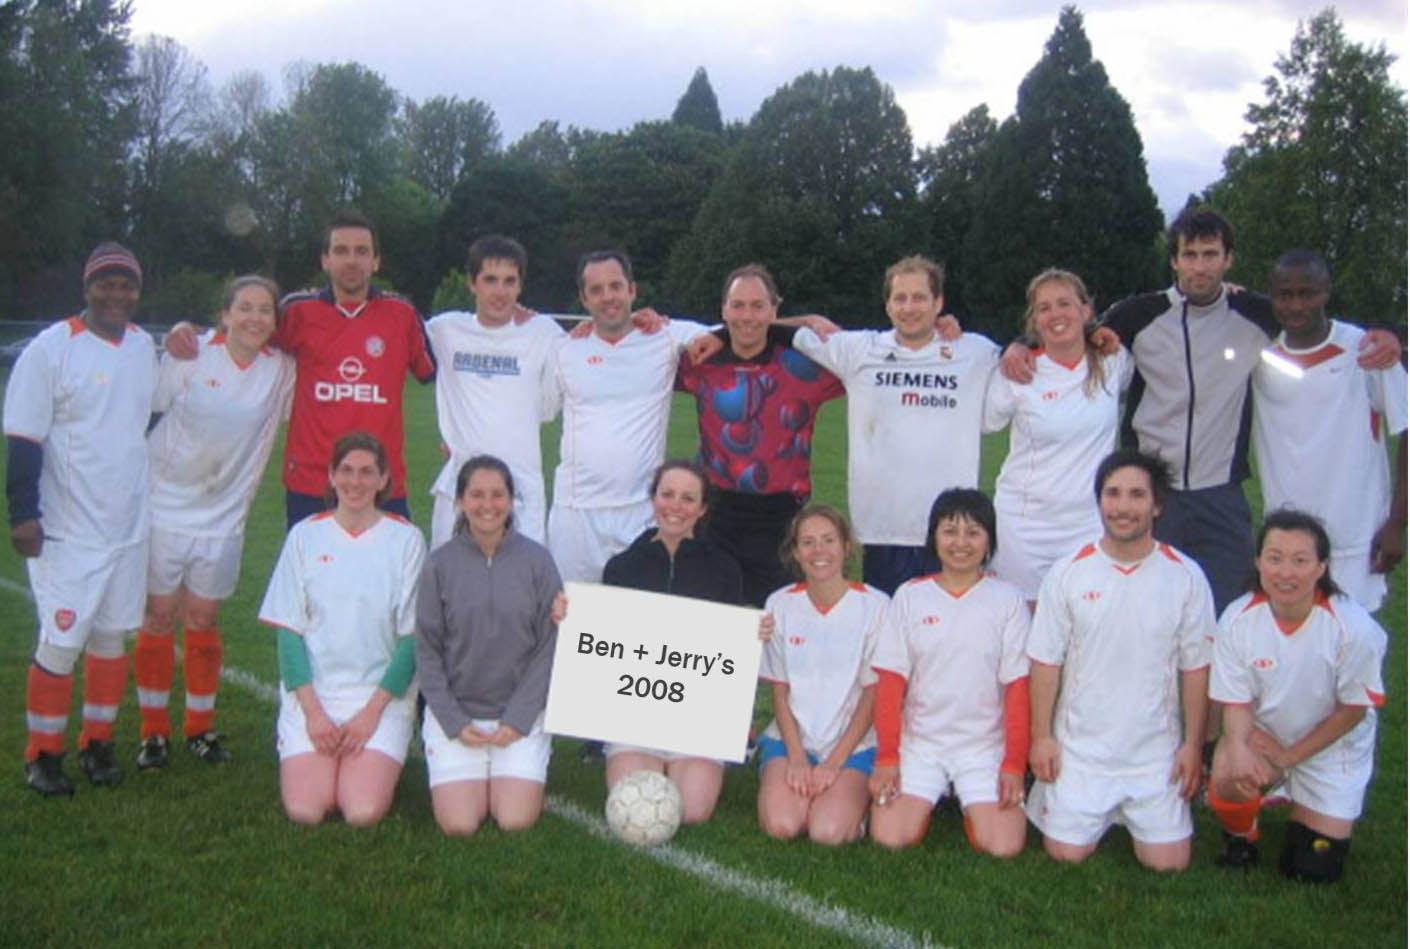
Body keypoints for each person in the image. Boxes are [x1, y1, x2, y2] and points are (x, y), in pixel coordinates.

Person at [998, 207, 1400, 615]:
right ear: (1173, 260)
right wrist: (1017, 344)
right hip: (1155, 497)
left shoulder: (1257, 314)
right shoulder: (1138, 315)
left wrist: (1393, 333)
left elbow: (1317, 319)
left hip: (1221, 497)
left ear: (1229, 259)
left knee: (1228, 617)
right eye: (1189, 255)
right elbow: (1066, 328)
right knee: (1149, 617)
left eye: (1210, 254)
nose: (1200, 266)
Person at [167, 209, 436, 528]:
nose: (351, 260)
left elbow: (438, 375)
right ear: (325, 260)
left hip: (382, 481)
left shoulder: (401, 315)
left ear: (376, 261)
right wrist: (183, 328)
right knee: (312, 575)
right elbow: (245, 329)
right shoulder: (298, 312)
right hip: (312, 482)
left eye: (361, 251)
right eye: (340, 250)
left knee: (386, 576)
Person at [7, 243, 157, 796]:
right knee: (61, 642)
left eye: (128, 285)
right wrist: (22, 514)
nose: (117, 294)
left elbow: (146, 415)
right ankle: (42, 755)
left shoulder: (143, 346)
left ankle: (98, 743)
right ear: (87, 287)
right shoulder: (52, 349)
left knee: (112, 640)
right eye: (106, 284)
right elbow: (24, 436)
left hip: (127, 529)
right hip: (69, 530)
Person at [135, 275, 295, 770]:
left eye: (265, 309)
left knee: (203, 617)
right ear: (224, 314)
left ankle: (200, 729)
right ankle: (153, 732)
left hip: (224, 516)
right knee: (160, 615)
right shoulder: (192, 353)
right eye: (244, 307)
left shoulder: (281, 370)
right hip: (163, 507)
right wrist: (180, 331)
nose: (254, 318)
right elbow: (145, 409)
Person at [1026, 450, 1213, 871]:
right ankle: (1069, 801)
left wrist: (1192, 746)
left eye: (1136, 495)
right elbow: (1045, 663)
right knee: (1064, 854)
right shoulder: (1068, 573)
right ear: (1099, 502)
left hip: (1154, 756)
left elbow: (1196, 668)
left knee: (1169, 863)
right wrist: (1042, 738)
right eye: (1112, 494)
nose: (1123, 507)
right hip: (1081, 753)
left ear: (1157, 504)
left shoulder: (1185, 576)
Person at [780, 256, 996, 595]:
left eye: (920, 297)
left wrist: (1019, 348)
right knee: (888, 640)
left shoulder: (975, 351)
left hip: (953, 532)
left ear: (939, 302)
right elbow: (761, 324)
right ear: (887, 305)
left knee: (948, 641)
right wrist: (809, 319)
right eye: (900, 298)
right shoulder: (860, 349)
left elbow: (1029, 352)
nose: (910, 307)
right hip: (882, 532)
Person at [1207, 509, 1386, 883]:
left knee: (1310, 871)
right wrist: (1240, 746)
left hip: (1331, 751)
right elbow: (1236, 702)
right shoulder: (1237, 619)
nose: (1285, 573)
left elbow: (1352, 712)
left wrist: (1291, 758)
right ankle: (1242, 835)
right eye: (1274, 558)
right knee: (1227, 772)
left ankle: (1303, 798)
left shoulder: (1354, 630)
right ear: (1258, 562)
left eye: (1300, 560)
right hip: (1267, 737)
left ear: (1322, 567)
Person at [259, 432, 425, 826]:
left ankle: (379, 756)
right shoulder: (304, 535)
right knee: (306, 810)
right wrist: (313, 713)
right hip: (316, 694)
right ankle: (312, 742)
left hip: (380, 697)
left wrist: (371, 714)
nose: (356, 482)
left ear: (384, 479)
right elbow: (289, 632)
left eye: (368, 472)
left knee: (361, 811)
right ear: (332, 476)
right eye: (346, 471)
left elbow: (411, 641)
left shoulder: (406, 539)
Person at [868, 489, 1030, 857]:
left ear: (989, 540)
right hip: (921, 744)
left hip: (984, 747)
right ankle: (929, 796)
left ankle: (970, 798)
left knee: (1003, 846)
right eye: (949, 531)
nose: (961, 543)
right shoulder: (910, 596)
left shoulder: (1008, 600)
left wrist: (1013, 764)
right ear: (933, 538)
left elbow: (1017, 689)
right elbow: (891, 686)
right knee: (889, 837)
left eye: (973, 532)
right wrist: (888, 759)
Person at [676, 264, 844, 606]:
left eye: (758, 306)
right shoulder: (701, 361)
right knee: (713, 633)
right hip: (717, 518)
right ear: (723, 310)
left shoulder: (808, 365)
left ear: (774, 310)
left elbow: (871, 354)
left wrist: (807, 319)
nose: (747, 315)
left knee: (781, 634)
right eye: (737, 306)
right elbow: (636, 345)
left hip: (782, 522)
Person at [1251, 251, 1407, 613]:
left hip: (1356, 540)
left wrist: (1398, 522)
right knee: (1294, 656)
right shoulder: (1259, 356)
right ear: (1271, 296)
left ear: (1326, 292)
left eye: (1307, 293)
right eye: (1285, 295)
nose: (1296, 304)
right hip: (1287, 544)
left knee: (1354, 655)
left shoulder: (1366, 350)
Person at [416, 455, 562, 835]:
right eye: (477, 494)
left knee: (514, 820)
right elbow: (427, 650)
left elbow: (549, 646)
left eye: (498, 494)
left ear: (511, 501)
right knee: (459, 825)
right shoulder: (439, 564)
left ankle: (524, 775)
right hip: (458, 715)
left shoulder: (538, 560)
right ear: (461, 501)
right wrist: (453, 720)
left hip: (519, 714)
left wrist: (518, 718)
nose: (488, 504)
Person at [547, 250, 707, 585]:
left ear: (632, 290)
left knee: (638, 624)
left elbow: (743, 329)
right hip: (576, 514)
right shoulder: (564, 349)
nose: (608, 297)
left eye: (615, 286)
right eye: (596, 290)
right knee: (572, 620)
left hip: (642, 511)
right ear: (583, 298)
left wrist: (804, 323)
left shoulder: (665, 336)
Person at [598, 459, 744, 823]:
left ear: (702, 508)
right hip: (635, 714)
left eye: (688, 498)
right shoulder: (621, 568)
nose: (675, 507)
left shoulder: (725, 571)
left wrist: (751, 636)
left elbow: (729, 655)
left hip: (697, 718)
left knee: (691, 811)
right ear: (653, 500)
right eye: (667, 495)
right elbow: (606, 646)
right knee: (636, 805)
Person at [984, 269, 1131, 606]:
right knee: (1024, 628)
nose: (1055, 315)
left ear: (1086, 310)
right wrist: (1013, 349)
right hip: (1024, 526)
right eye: (1044, 308)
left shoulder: (1114, 361)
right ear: (1034, 320)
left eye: (1064, 303)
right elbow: (986, 423)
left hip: (1089, 522)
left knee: (1086, 624)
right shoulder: (1018, 371)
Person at [757, 505, 886, 845]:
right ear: (796, 552)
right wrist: (797, 758)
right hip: (792, 739)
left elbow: (874, 695)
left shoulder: (875, 606)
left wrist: (833, 763)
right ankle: (802, 785)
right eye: (808, 542)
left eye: (829, 540)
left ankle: (855, 805)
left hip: (854, 743)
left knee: (828, 832)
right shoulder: (779, 603)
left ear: (846, 547)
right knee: (782, 825)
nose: (819, 552)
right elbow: (780, 690)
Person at [426, 235, 564, 547]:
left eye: (509, 281)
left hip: (521, 491)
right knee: (452, 586)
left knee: (520, 590)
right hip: (460, 488)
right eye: (490, 280)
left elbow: (598, 340)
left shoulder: (544, 333)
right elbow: (392, 326)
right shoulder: (444, 330)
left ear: (520, 286)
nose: (500, 292)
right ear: (472, 283)